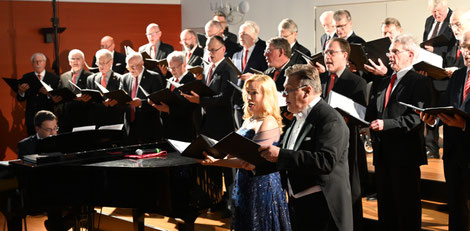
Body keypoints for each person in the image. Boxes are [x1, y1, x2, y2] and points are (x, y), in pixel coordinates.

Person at [259, 64, 353, 231]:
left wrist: (280, 155)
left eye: (288, 90)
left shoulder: (330, 120)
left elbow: (325, 162)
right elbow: (288, 154)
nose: (284, 95)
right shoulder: (297, 117)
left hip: (323, 207)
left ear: (307, 91)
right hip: (299, 204)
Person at [199, 74, 291, 231]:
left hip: (262, 185)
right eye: (247, 92)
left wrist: (217, 162)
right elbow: (240, 152)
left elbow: (251, 163)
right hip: (244, 182)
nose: (249, 97)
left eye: (254, 93)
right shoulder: (250, 119)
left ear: (267, 96)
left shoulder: (268, 121)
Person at [365, 34, 432, 231]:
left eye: (395, 51)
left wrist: (386, 124)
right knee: (386, 210)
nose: (390, 56)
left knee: (407, 210)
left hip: (405, 155)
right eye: (389, 52)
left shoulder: (419, 81)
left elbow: (416, 118)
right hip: (383, 153)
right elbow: (372, 112)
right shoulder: (383, 81)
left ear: (410, 55)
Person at [421, 29, 470, 231]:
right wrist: (432, 120)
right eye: (464, 46)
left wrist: (465, 125)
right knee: (456, 208)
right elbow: (446, 106)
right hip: (453, 153)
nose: (467, 51)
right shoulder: (458, 75)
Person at [321, 37, 367, 231]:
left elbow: (362, 116)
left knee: (350, 192)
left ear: (345, 56)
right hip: (324, 144)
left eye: (332, 52)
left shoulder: (356, 82)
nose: (327, 56)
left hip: (348, 144)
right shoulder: (321, 79)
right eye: (325, 52)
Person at [149, 51, 197, 142]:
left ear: (184, 65)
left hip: (183, 130)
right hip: (168, 128)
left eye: (175, 67)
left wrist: (169, 109)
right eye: (170, 68)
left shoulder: (191, 81)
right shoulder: (170, 80)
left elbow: (191, 108)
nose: (172, 71)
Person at [120, 51, 164, 144]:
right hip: (129, 125)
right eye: (128, 67)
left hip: (148, 126)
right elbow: (122, 97)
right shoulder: (125, 78)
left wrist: (141, 103)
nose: (131, 69)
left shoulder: (153, 77)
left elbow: (158, 101)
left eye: (134, 66)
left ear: (142, 63)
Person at [232, 21, 268, 128]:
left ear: (254, 36)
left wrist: (254, 77)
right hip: (238, 102)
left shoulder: (263, 52)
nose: (241, 36)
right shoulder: (236, 54)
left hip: (255, 100)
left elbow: (267, 75)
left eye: (244, 34)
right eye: (240, 34)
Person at [17, 53, 59, 136]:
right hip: (31, 118)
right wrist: (21, 92)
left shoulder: (54, 78)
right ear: (32, 64)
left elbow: (57, 101)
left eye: (40, 61)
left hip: (48, 118)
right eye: (35, 61)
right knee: (33, 144)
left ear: (45, 63)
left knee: (48, 144)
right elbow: (20, 98)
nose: (38, 63)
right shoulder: (26, 77)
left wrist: (49, 93)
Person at [55, 49, 93, 132]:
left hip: (84, 118)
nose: (75, 61)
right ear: (69, 62)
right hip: (65, 119)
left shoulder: (91, 77)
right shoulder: (63, 77)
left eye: (78, 58)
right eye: (73, 58)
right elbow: (59, 95)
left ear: (83, 61)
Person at [87, 49, 125, 128]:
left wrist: (115, 102)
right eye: (99, 63)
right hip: (96, 119)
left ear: (111, 62)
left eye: (104, 63)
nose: (101, 66)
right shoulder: (91, 79)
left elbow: (124, 100)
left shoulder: (120, 78)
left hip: (115, 119)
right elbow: (89, 100)